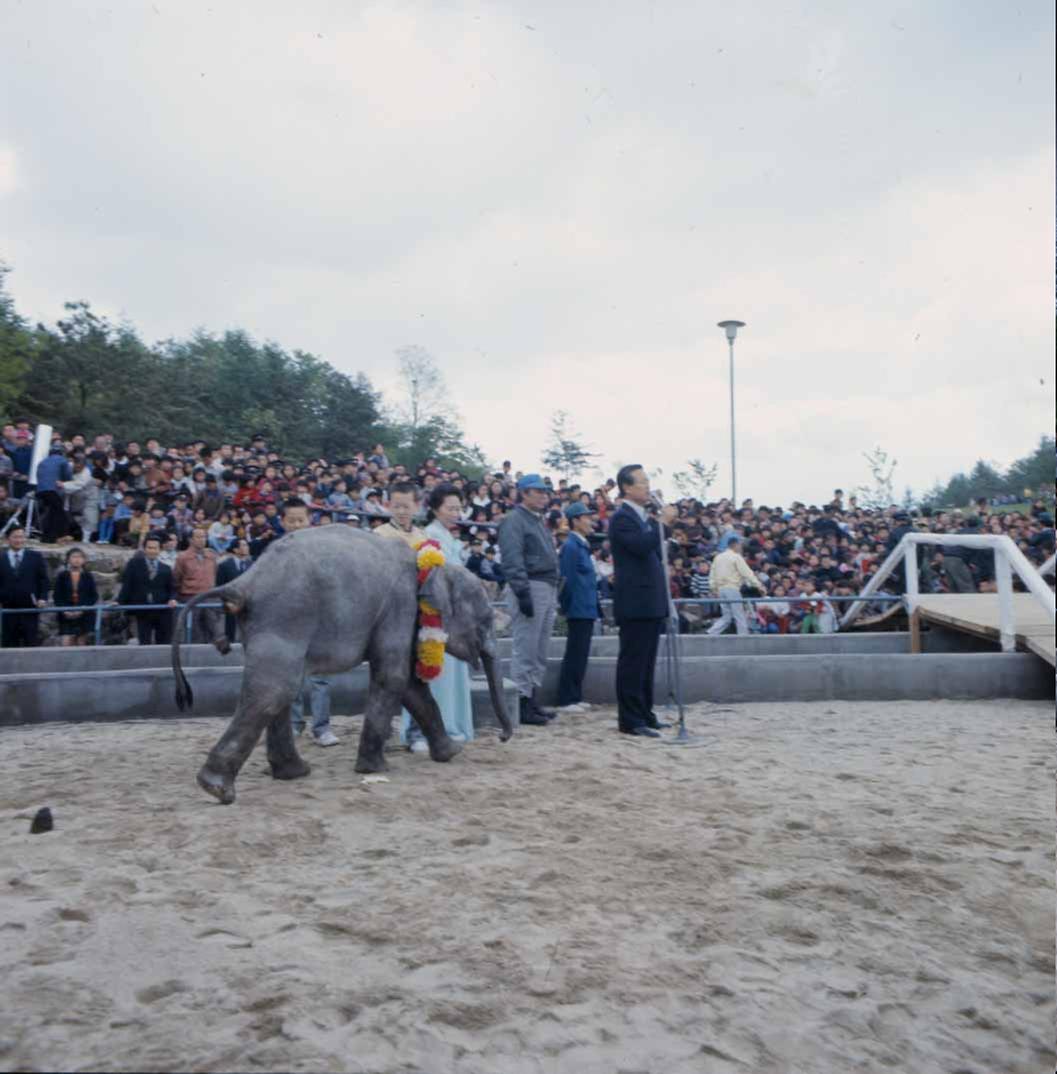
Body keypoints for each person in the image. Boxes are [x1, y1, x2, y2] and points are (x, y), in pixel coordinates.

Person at [398, 483, 476, 752]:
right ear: (434, 509)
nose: (456, 513)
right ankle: (420, 733)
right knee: (432, 675)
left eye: (459, 508)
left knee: (451, 675)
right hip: (433, 617)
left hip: (452, 617)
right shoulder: (429, 538)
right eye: (450, 508)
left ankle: (450, 726)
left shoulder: (451, 539)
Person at [608, 465, 677, 738]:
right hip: (635, 600)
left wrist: (659, 523)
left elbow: (652, 543)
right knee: (633, 662)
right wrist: (663, 523)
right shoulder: (622, 518)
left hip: (650, 599)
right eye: (643, 482)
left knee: (647, 662)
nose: (648, 486)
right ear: (626, 487)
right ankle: (630, 719)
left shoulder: (642, 517)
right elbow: (640, 546)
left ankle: (646, 713)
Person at [498, 473, 560, 727]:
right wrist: (522, 591)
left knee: (539, 649)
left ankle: (531, 698)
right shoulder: (514, 520)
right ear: (524, 493)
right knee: (526, 648)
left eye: (545, 491)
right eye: (538, 491)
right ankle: (521, 702)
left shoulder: (536, 521)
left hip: (545, 585)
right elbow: (512, 558)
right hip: (531, 586)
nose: (544, 495)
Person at [277, 498, 339, 747]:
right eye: (291, 520)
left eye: (300, 520)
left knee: (320, 679)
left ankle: (322, 727)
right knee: (291, 678)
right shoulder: (276, 550)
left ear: (309, 521)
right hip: (288, 623)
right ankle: (293, 725)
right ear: (282, 522)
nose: (296, 524)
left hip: (318, 623)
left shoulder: (322, 550)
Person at [555, 502, 600, 714]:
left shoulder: (581, 545)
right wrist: (567, 606)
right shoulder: (572, 546)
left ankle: (575, 695)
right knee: (575, 652)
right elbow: (567, 580)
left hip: (586, 607)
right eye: (586, 517)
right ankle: (566, 698)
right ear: (575, 521)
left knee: (581, 653)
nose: (590, 521)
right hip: (578, 607)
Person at [117, 533, 178, 644]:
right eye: (149, 548)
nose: (152, 551)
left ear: (160, 550)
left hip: (162, 611)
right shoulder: (134, 564)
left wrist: (172, 599)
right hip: (142, 611)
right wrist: (118, 602)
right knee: (144, 642)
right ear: (145, 549)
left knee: (164, 643)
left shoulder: (166, 568)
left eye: (155, 548)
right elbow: (127, 585)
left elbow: (172, 589)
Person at [706, 534, 766, 636]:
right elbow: (747, 573)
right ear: (735, 545)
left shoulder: (718, 557)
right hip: (732, 588)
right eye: (740, 545)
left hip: (721, 590)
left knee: (727, 616)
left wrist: (713, 588)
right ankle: (743, 638)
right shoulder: (736, 557)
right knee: (739, 615)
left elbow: (712, 574)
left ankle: (711, 633)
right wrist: (759, 586)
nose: (741, 547)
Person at [0, 526, 50, 648]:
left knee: (31, 641)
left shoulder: (35, 557)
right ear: (8, 539)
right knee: (9, 643)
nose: (19, 540)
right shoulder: (1, 558)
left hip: (30, 608)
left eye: (21, 537)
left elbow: (43, 580)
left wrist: (42, 598)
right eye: (15, 537)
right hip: (7, 608)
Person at [173, 526, 220, 643]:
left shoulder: (211, 556)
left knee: (213, 630)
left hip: (210, 598)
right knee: (195, 632)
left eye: (204, 537)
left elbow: (215, 573)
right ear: (191, 540)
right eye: (198, 537)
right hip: (191, 597)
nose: (202, 540)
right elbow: (176, 579)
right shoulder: (182, 557)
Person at [52, 546, 99, 646]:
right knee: (66, 642)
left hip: (84, 614)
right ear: (68, 559)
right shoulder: (62, 576)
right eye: (74, 557)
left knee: (81, 643)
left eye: (79, 557)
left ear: (84, 560)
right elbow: (57, 596)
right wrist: (65, 610)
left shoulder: (88, 576)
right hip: (66, 614)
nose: (77, 560)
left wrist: (83, 609)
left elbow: (93, 596)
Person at [216, 538, 253, 644]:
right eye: (244, 545)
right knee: (230, 631)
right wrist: (227, 602)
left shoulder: (251, 564)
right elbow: (220, 586)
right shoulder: (224, 566)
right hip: (231, 604)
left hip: (248, 603)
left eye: (247, 545)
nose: (247, 547)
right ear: (236, 550)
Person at [34, 444, 73, 543]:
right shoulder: (63, 460)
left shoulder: (42, 462)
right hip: (52, 490)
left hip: (40, 491)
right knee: (58, 514)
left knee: (50, 512)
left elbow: (38, 475)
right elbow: (68, 476)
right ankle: (51, 537)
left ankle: (45, 536)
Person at [375, 482, 427, 549]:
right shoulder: (379, 534)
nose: (401, 512)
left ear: (417, 506)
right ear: (388, 505)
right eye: (396, 506)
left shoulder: (422, 536)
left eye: (406, 507)